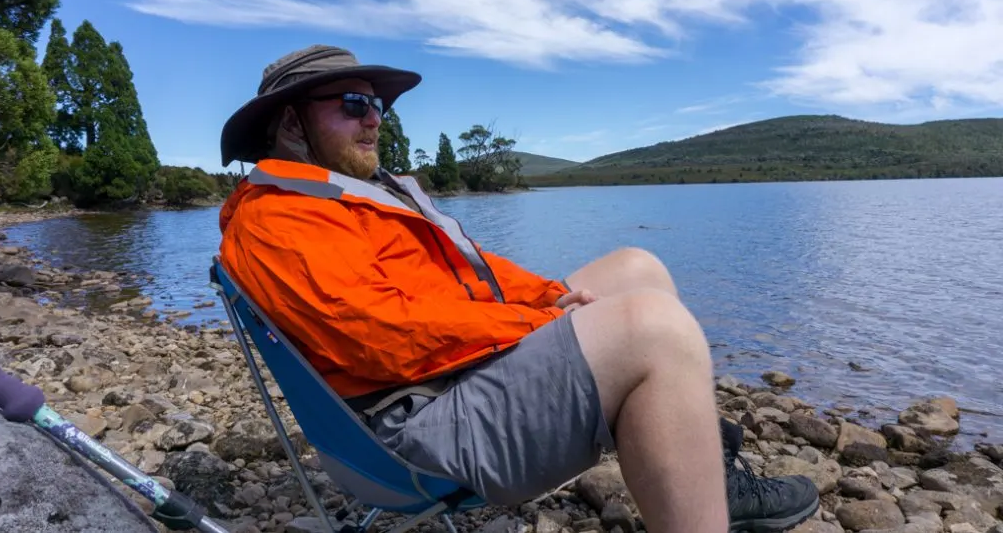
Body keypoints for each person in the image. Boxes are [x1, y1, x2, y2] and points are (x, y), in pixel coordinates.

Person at [217, 45, 820, 532]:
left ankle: (708, 478)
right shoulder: (279, 218)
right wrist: (541, 326)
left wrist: (551, 297)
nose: (374, 119)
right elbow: (380, 335)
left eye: (377, 106)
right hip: (410, 430)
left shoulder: (347, 198)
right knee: (656, 332)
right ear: (290, 122)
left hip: (448, 377)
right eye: (352, 104)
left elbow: (474, 272)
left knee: (638, 269)